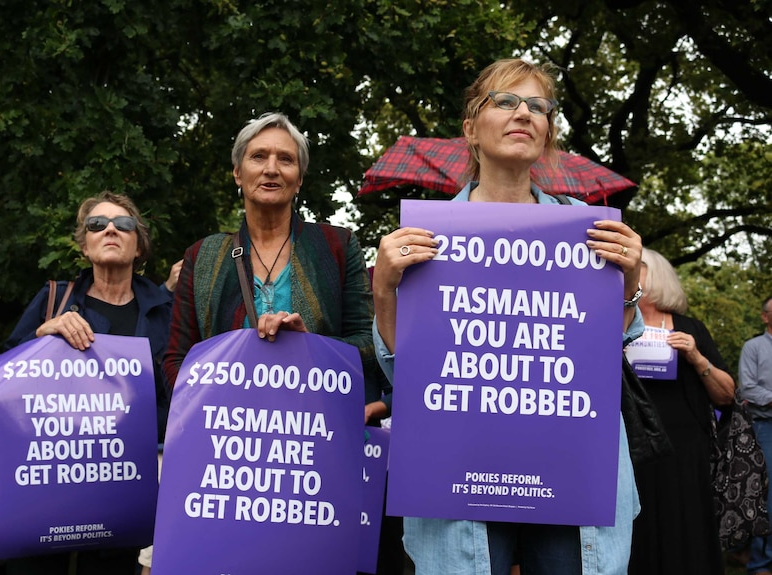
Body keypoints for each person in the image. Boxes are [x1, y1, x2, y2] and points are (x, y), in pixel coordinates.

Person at [370, 58, 645, 575]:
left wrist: (628, 282)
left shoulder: (587, 235)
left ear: (547, 131)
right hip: (459, 475)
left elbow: (609, 354)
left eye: (538, 107)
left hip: (570, 469)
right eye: (506, 101)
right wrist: (384, 290)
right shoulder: (427, 240)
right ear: (471, 129)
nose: (524, 113)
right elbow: (404, 376)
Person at [161, 112, 392, 572]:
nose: (271, 168)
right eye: (258, 156)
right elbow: (176, 358)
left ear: (299, 178)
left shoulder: (336, 247)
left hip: (314, 456)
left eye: (285, 159)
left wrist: (316, 350)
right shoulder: (203, 256)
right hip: (226, 459)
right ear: (237, 172)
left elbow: (368, 342)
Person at [2, 191, 179, 574]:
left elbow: (183, 397)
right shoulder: (54, 299)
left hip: (126, 496)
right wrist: (41, 338)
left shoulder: (167, 312)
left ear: (139, 245)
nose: (111, 229)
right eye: (97, 224)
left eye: (124, 224)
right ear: (84, 245)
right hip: (50, 493)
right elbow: (2, 386)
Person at [626, 248, 735, 574]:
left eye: (636, 269)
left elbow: (726, 395)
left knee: (685, 525)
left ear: (655, 277)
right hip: (632, 447)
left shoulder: (691, 328)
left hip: (684, 449)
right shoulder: (614, 325)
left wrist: (696, 357)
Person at [739, 295, 772, 575]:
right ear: (765, 316)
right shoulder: (754, 348)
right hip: (765, 428)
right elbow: (748, 389)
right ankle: (760, 562)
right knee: (764, 496)